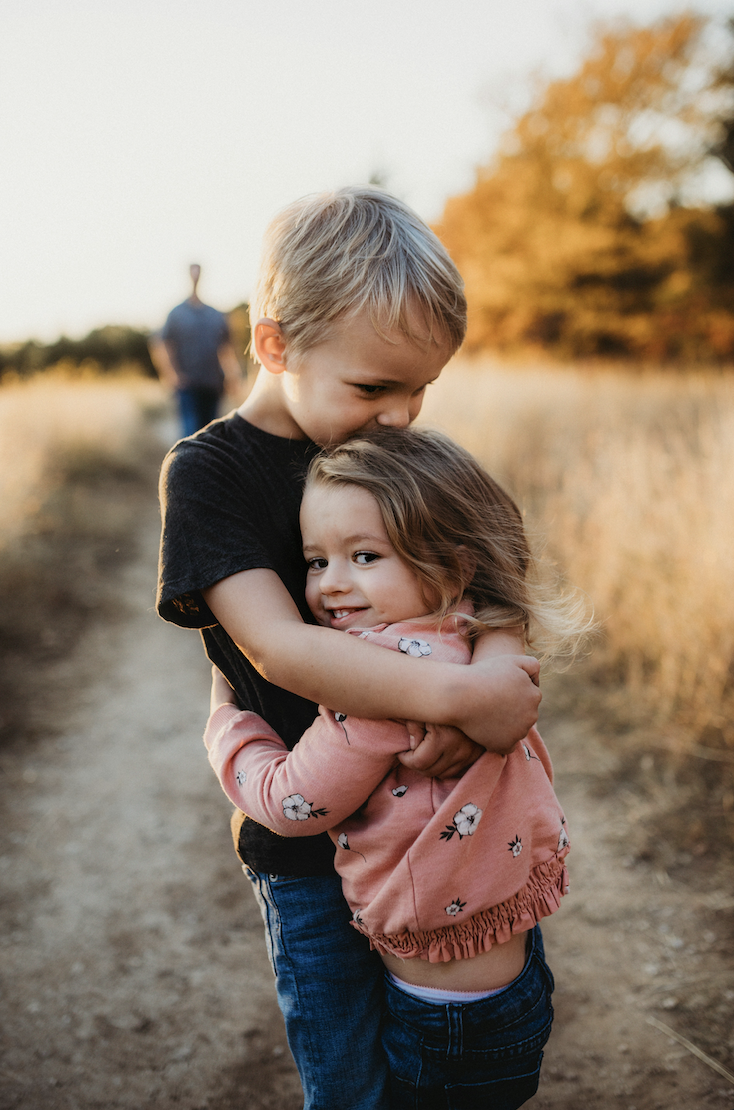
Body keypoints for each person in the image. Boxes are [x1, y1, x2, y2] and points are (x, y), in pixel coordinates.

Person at [156, 187, 543, 1110]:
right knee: (348, 1075)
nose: (404, 414)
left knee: (464, 1045)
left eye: (422, 389)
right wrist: (448, 700)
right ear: (275, 343)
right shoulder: (211, 473)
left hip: (449, 825)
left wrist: (497, 664)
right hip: (308, 850)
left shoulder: (396, 451)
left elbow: (490, 567)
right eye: (375, 386)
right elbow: (281, 646)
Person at [204, 426, 585, 1109]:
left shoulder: (376, 690)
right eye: (316, 562)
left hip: (443, 1016)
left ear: (450, 564)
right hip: (516, 975)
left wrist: (228, 723)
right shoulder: (470, 633)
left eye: (364, 556)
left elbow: (291, 802)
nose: (332, 585)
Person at [150, 263, 242, 436]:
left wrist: (232, 377)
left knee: (210, 434)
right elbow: (161, 344)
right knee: (191, 434)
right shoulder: (176, 314)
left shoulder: (215, 314)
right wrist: (171, 375)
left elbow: (226, 348)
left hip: (213, 384)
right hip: (187, 385)